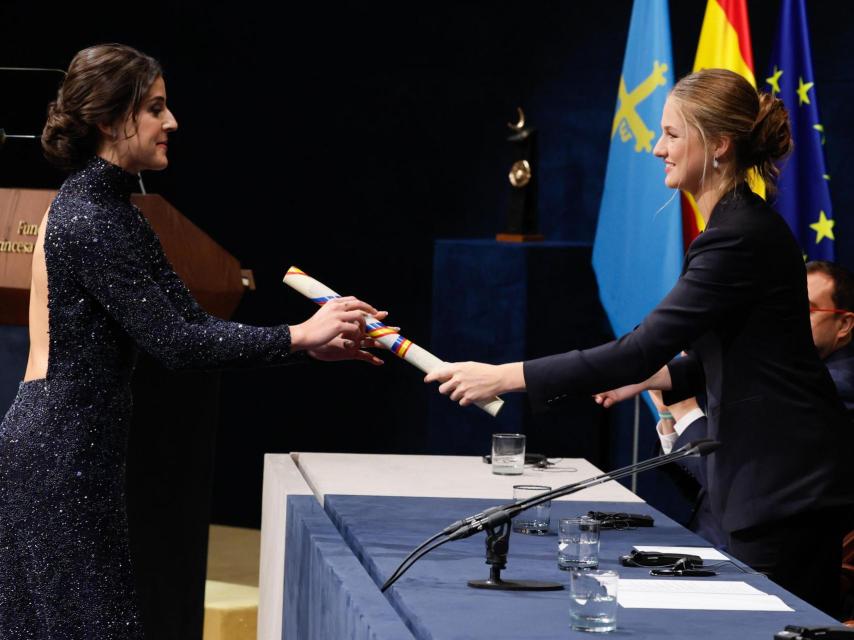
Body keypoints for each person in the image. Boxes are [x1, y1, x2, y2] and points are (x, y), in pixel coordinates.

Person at [426, 68, 854, 615]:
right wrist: (657, 377)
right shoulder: (740, 226)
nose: (657, 149)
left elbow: (638, 348)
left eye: (673, 134)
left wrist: (503, 376)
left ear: (719, 144)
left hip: (783, 491)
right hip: (777, 486)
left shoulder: (739, 237)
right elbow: (739, 352)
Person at [0, 43, 385, 639]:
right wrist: (298, 334)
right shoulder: (94, 218)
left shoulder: (109, 208)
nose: (171, 123)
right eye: (154, 108)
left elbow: (191, 324)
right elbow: (177, 344)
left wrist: (305, 342)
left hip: (68, 448)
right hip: (60, 455)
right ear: (109, 119)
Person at [649, 260, 854, 550]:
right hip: (711, 546)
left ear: (844, 324)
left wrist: (685, 410)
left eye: (804, 309)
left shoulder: (836, 388)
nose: (787, 320)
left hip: (761, 566)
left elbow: (740, 481)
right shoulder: (783, 372)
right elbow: (704, 489)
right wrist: (669, 414)